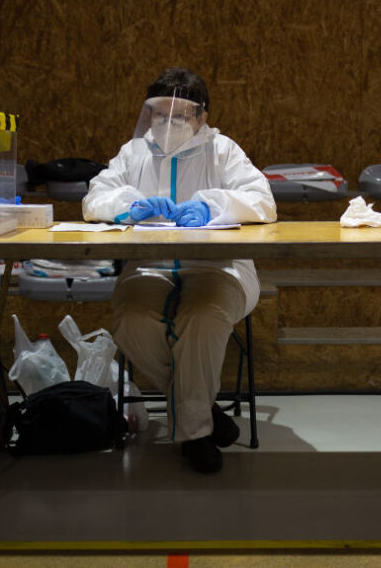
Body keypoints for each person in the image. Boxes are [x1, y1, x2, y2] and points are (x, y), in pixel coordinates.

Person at [82, 68, 276, 473]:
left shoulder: (222, 150)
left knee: (201, 316)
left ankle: (195, 432)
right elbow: (94, 197)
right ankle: (198, 414)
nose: (167, 124)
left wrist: (214, 206)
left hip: (219, 268)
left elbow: (262, 200)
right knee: (130, 320)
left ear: (201, 118)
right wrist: (128, 204)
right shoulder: (135, 153)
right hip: (149, 268)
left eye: (180, 115)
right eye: (158, 114)